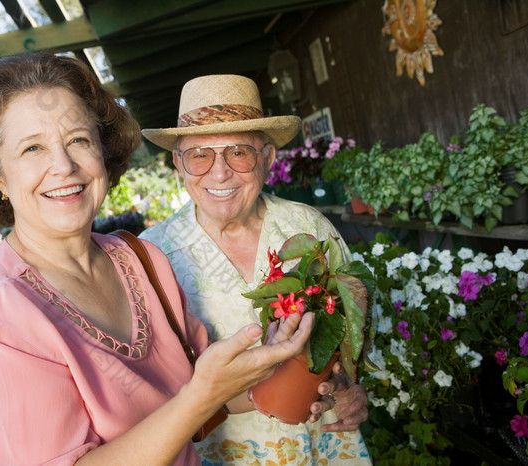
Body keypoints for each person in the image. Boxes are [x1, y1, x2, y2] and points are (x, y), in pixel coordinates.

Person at [0, 52, 316, 465]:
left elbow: (211, 396)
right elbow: (198, 398)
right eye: (32, 148)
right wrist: (200, 396)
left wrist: (287, 369)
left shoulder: (140, 260)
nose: (63, 166)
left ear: (103, 152)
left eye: (78, 141)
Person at [140, 74, 371, 464]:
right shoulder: (152, 254)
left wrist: (350, 387)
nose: (219, 172)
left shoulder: (309, 228)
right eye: (199, 155)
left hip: (325, 448)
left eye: (238, 152)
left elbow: (353, 326)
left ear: (267, 157)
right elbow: (149, 387)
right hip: (220, 455)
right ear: (178, 163)